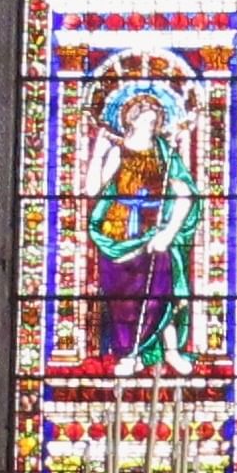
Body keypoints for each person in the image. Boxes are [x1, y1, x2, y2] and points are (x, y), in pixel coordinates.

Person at [85, 88, 197, 376]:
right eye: (147, 121)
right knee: (122, 302)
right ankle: (130, 355)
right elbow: (92, 190)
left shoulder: (165, 154)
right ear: (131, 121)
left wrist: (168, 234)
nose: (153, 127)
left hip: (153, 235)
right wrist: (97, 156)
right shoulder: (117, 151)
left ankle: (171, 352)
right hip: (117, 235)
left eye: (155, 121)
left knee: (162, 292)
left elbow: (184, 194)